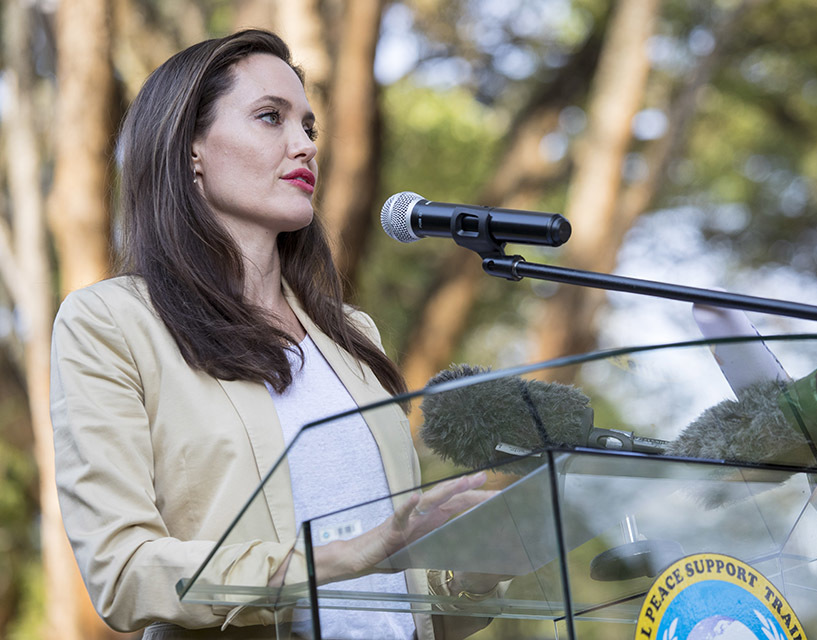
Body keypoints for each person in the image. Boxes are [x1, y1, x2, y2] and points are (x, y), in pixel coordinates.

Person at [50, 29, 500, 640]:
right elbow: (123, 572)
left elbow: (400, 603)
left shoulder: (352, 336)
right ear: (190, 150)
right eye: (271, 118)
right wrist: (331, 560)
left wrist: (478, 562)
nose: (305, 146)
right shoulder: (112, 323)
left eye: (309, 128)